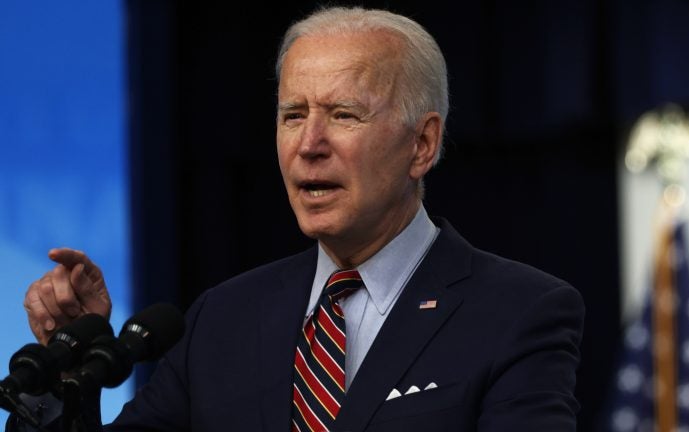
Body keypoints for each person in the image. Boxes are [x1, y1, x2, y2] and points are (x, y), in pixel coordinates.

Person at [15, 6, 584, 431]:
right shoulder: (223, 318)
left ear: (422, 145)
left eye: (343, 114)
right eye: (293, 115)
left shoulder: (519, 312)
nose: (310, 144)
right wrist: (65, 373)